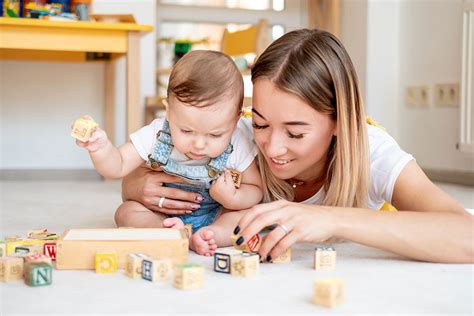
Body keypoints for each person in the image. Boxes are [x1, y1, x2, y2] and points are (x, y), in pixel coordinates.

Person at [122, 29, 473, 263]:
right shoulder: (234, 136)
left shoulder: (372, 152)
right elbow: (138, 172)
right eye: (260, 122)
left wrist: (331, 219)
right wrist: (137, 184)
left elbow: (466, 235)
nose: (272, 147)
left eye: (295, 133)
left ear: (338, 121)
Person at [75, 50, 263, 256]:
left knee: (246, 215)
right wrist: (101, 149)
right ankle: (165, 231)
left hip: (216, 212)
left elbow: (255, 189)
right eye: (186, 131)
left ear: (236, 120)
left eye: (215, 134)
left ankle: (211, 234)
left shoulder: (238, 142)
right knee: (126, 212)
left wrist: (233, 198)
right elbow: (117, 166)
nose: (199, 144)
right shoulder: (156, 134)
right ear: (168, 111)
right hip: (162, 214)